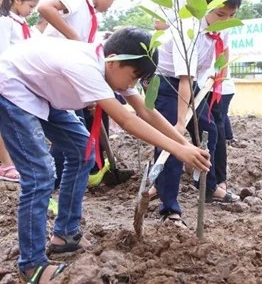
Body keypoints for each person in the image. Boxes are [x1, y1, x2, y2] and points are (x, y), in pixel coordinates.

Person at [0, 27, 210, 283]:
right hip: (11, 85)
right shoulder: (86, 68)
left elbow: (145, 111)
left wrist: (184, 143)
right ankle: (31, 266)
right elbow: (125, 119)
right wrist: (177, 150)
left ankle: (65, 235)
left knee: (81, 151)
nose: (133, 84)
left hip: (39, 88)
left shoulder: (112, 66)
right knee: (40, 173)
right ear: (115, 60)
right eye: (134, 76)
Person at [152, 0, 242, 229]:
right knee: (173, 144)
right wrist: (180, 123)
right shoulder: (189, 30)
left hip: (193, 85)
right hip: (168, 84)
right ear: (206, 5)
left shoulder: (221, 28)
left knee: (209, 131)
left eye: (231, 16)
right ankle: (169, 209)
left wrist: (218, 73)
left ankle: (206, 185)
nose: (225, 21)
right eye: (220, 15)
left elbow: (221, 54)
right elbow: (182, 81)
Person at [39, 0, 125, 188]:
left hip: (67, 77)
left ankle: (63, 179)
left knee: (76, 129)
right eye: (114, 0)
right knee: (71, 131)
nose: (110, 6)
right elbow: (45, 7)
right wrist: (74, 38)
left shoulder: (89, 13)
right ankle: (53, 182)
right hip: (53, 74)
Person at [0, 0, 40, 183]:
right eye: (30, 6)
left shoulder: (24, 26)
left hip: (22, 83)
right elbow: (3, 52)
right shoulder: (6, 23)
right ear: (17, 1)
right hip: (7, 81)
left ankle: (18, 163)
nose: (32, 11)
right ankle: (8, 164)